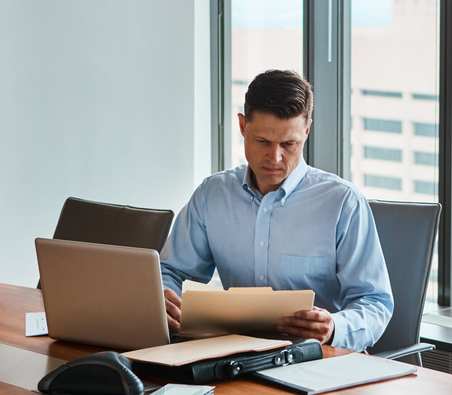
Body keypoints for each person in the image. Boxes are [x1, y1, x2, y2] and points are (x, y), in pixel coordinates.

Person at [159, 69, 393, 352]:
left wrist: (334, 327)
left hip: (318, 357)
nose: (274, 157)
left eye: (289, 144)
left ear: (306, 131)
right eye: (262, 142)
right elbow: (172, 271)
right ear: (243, 126)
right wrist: (164, 295)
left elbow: (375, 301)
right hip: (233, 352)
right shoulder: (213, 195)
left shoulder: (343, 202)